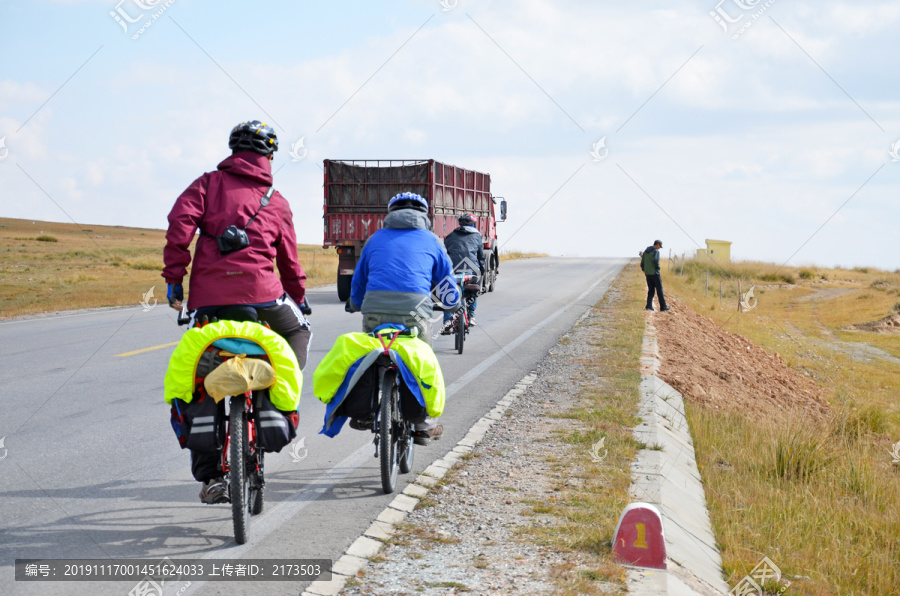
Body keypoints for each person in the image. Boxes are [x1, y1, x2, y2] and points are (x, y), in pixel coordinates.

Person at [162, 119, 312, 503]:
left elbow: (180, 227)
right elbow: (290, 260)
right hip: (263, 300)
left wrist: (175, 279)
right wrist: (299, 295)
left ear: (232, 150)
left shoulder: (207, 184)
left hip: (210, 301)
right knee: (298, 332)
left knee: (202, 380)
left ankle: (210, 477)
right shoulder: (276, 200)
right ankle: (275, 397)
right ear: (270, 156)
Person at [345, 192, 459, 444]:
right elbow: (446, 281)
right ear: (424, 215)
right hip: (415, 314)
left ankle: (364, 413)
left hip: (374, 312)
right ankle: (423, 425)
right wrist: (453, 302)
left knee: (370, 355)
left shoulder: (375, 239)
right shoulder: (432, 241)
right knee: (422, 361)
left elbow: (359, 279)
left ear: (390, 214)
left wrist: (355, 303)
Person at [441, 213, 485, 334]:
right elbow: (481, 257)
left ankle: (448, 321)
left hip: (453, 272)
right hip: (470, 271)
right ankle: (471, 315)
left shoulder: (450, 236)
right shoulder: (477, 236)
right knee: (473, 291)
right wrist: (482, 271)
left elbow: (445, 254)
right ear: (473, 224)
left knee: (448, 293)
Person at [640, 239, 670, 312]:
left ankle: (649, 306)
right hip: (655, 274)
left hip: (648, 274)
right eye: (660, 246)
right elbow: (656, 261)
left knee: (651, 290)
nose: (659, 248)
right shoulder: (656, 251)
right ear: (657, 244)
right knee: (660, 290)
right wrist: (658, 268)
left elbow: (642, 263)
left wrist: (645, 270)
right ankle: (663, 307)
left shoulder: (646, 252)